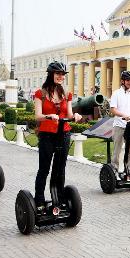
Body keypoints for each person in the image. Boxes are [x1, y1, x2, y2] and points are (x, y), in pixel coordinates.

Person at [33, 62, 81, 204]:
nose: (61, 77)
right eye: (58, 74)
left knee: (60, 169)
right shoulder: (40, 93)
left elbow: (70, 114)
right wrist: (49, 116)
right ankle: (39, 200)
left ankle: (58, 198)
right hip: (47, 134)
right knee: (44, 168)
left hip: (64, 134)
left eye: (62, 74)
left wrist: (76, 116)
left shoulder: (67, 94)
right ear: (51, 74)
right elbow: (37, 116)